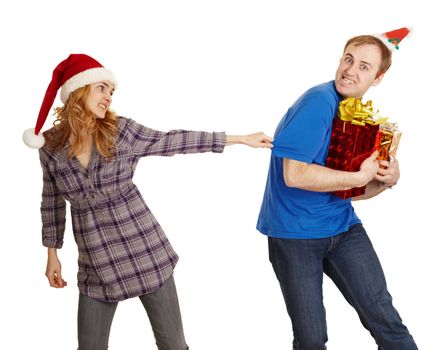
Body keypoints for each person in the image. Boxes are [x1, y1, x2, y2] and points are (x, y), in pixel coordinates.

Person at [23, 53, 273, 350]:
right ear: (79, 90)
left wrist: (240, 139)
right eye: (101, 88)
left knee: (173, 344)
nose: (108, 98)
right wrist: (51, 252)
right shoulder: (50, 146)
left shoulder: (122, 132)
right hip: (95, 260)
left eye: (111, 91)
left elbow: (174, 141)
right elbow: (51, 202)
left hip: (145, 251)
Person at [256, 28, 418, 350]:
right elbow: (295, 174)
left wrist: (385, 180)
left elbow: (346, 189)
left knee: (385, 319)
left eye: (364, 67)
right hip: (295, 235)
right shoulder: (318, 102)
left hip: (342, 228)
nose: (350, 71)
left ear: (378, 77)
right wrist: (360, 177)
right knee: (312, 340)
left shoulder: (355, 114)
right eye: (349, 59)